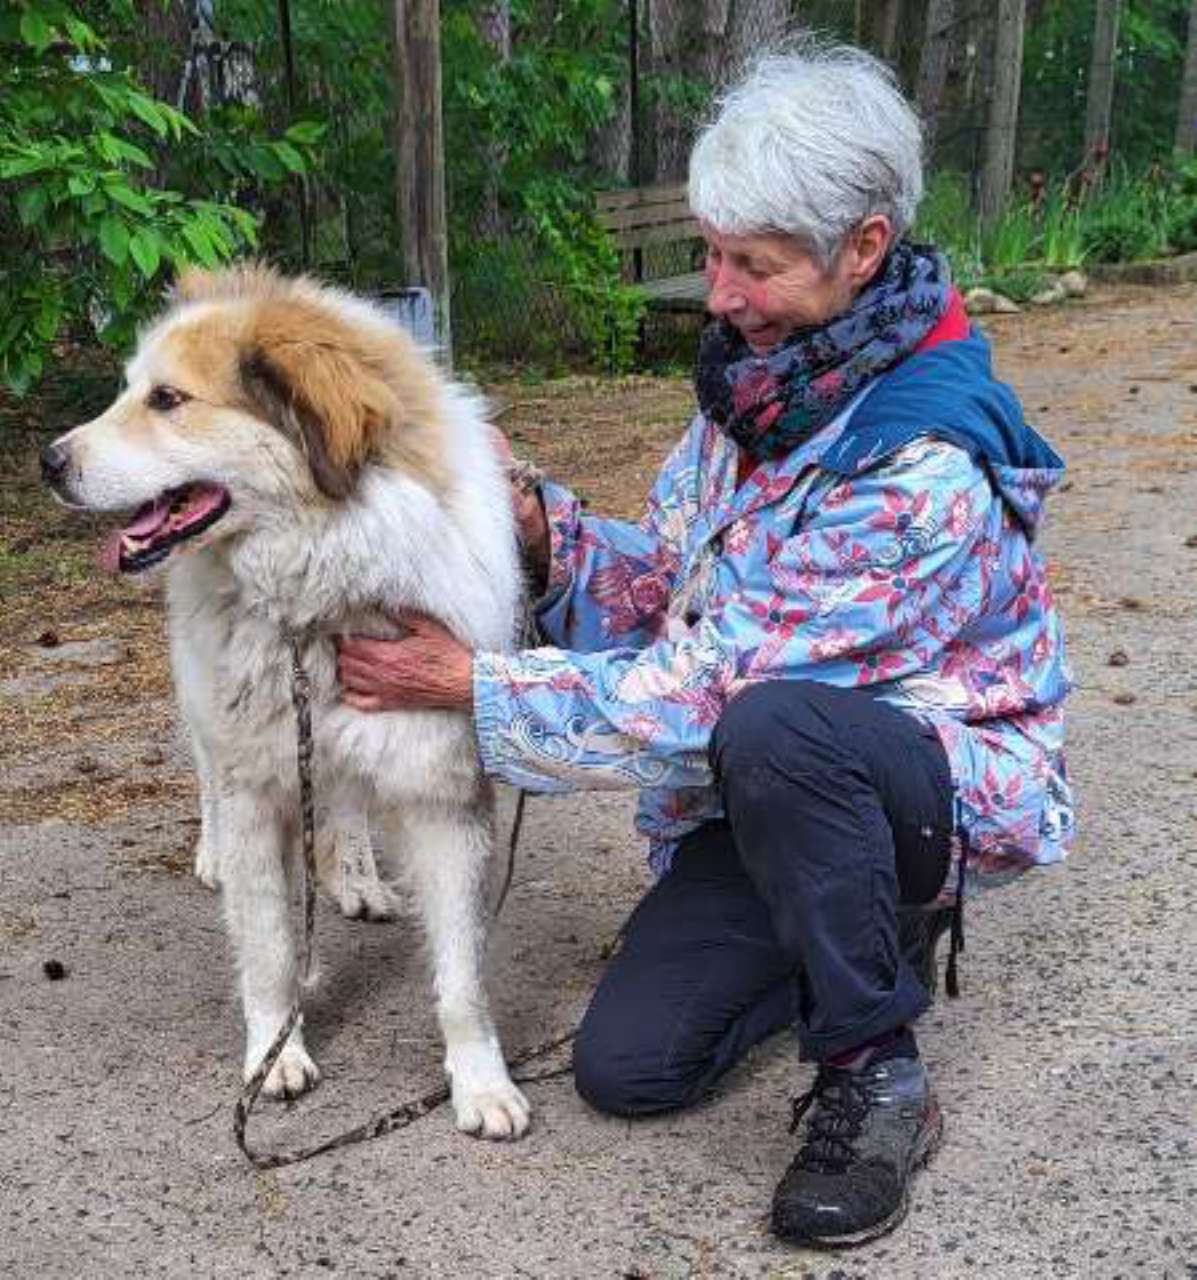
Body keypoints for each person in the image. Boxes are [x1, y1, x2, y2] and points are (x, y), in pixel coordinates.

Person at [337, 41, 1073, 1250]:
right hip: (768, 780)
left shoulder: (914, 466)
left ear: (866, 248)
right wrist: (542, 530)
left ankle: (874, 1067)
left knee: (773, 724)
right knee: (630, 1065)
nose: (719, 292)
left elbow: (695, 696)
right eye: (712, 252)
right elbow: (675, 589)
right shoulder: (772, 380)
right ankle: (848, 917)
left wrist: (470, 683)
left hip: (913, 778)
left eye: (754, 263)